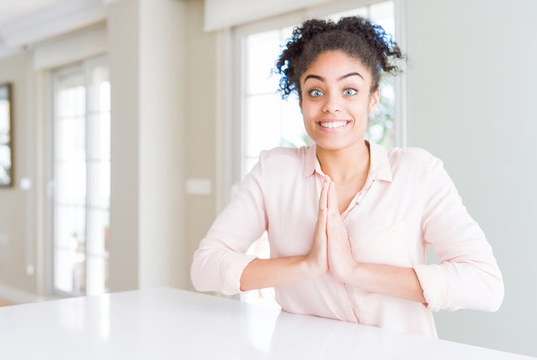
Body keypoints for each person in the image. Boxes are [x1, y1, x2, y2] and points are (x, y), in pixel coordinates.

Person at [190, 16, 503, 338]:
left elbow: (485, 284)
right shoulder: (274, 172)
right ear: (300, 101)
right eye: (315, 92)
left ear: (373, 98)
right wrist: (306, 265)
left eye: (350, 90)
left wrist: (353, 271)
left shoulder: (418, 173)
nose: (331, 106)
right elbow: (205, 268)